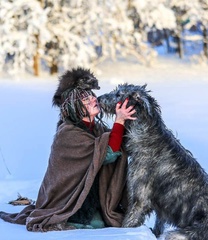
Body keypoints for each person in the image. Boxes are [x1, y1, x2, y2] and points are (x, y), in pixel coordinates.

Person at [0, 67, 136, 232]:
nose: (94, 100)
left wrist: (124, 122)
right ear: (74, 107)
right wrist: (119, 121)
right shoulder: (68, 134)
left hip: (90, 198)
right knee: (100, 224)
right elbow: (107, 154)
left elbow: (115, 143)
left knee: (113, 219)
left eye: (91, 96)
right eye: (86, 100)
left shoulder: (97, 129)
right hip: (66, 202)